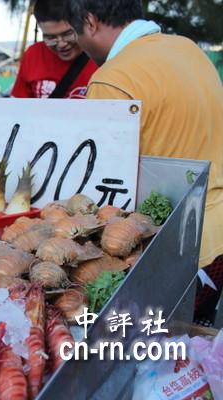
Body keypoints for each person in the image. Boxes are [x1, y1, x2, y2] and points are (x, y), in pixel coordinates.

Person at [64, 0, 223, 321]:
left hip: (177, 254)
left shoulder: (112, 79)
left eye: (76, 33)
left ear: (90, 22)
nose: (78, 44)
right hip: (216, 237)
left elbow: (99, 190)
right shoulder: (187, 49)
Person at [11, 0, 98, 98]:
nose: (61, 44)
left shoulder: (101, 54)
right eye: (50, 37)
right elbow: (18, 107)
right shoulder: (33, 55)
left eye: (68, 34)